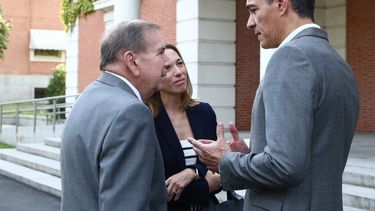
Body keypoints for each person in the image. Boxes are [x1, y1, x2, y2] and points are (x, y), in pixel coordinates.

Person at [189, 0, 360, 210]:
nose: (249, 23)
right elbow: (310, 154)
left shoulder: (290, 57)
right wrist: (251, 155)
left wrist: (225, 161)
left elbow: (284, 167)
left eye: (253, 10)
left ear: (281, 4)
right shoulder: (338, 63)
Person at [60, 20, 168, 211]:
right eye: (160, 52)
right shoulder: (131, 113)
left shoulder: (87, 97)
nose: (166, 61)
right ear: (132, 61)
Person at [146, 44, 221, 211]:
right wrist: (205, 182)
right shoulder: (147, 119)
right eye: (167, 68)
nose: (178, 72)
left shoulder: (204, 112)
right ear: (154, 76)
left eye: (179, 63)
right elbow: (159, 191)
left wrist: (193, 172)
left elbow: (220, 172)